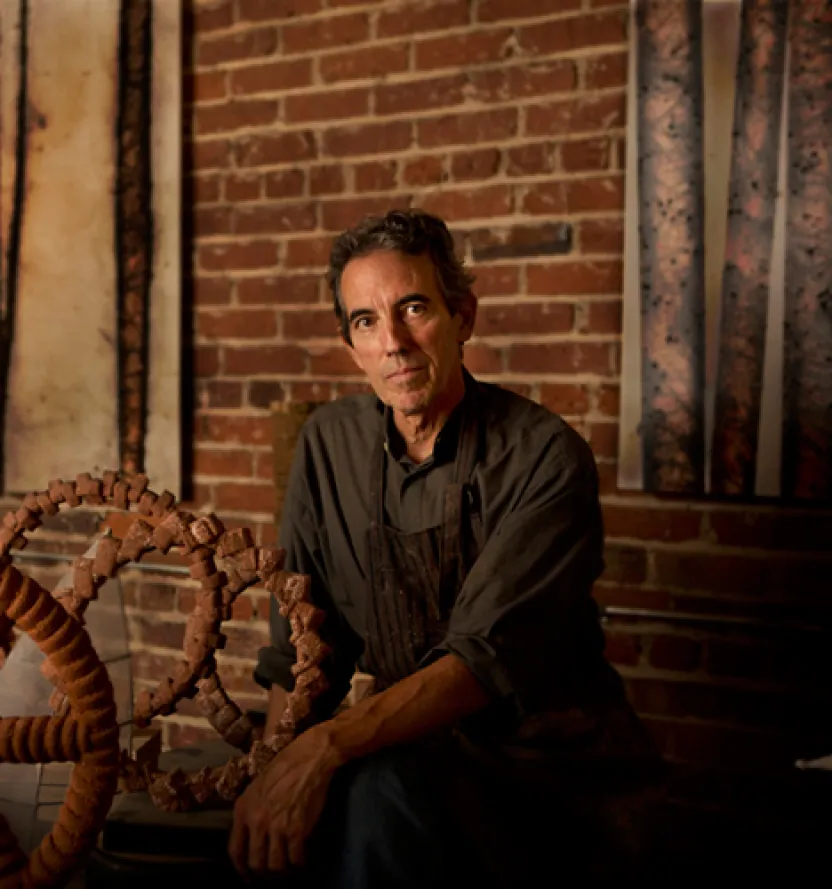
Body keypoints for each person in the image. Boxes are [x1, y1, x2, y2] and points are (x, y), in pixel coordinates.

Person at [230, 209, 663, 887]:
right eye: (366, 322)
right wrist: (273, 769)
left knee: (374, 794)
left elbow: (479, 662)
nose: (394, 342)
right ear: (351, 346)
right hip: (408, 746)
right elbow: (302, 646)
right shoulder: (326, 446)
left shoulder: (545, 456)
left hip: (544, 772)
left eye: (413, 308)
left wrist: (325, 747)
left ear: (463, 315)